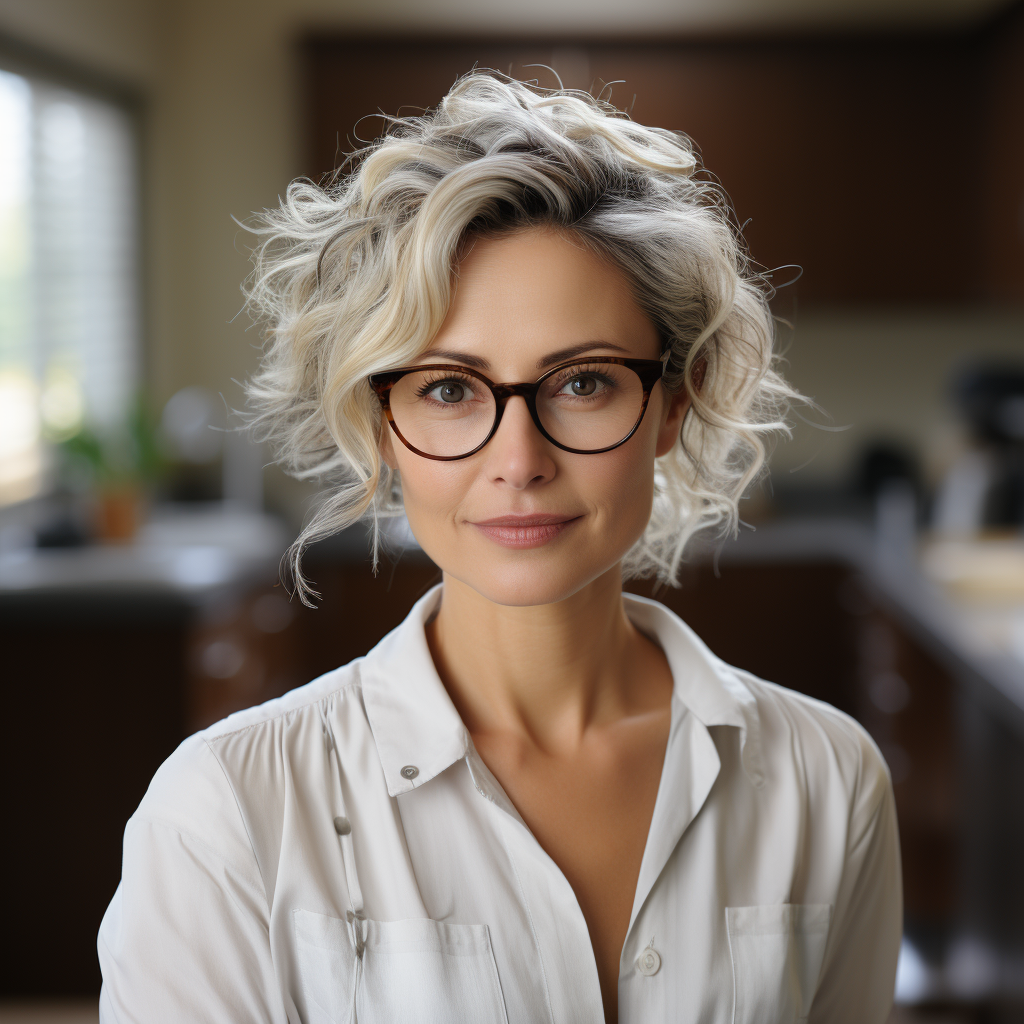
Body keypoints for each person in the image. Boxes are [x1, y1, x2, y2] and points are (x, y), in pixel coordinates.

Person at [97, 72, 901, 1023]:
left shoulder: (828, 780)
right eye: (448, 389)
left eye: (584, 383)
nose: (518, 461)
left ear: (671, 408)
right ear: (382, 424)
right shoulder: (226, 811)